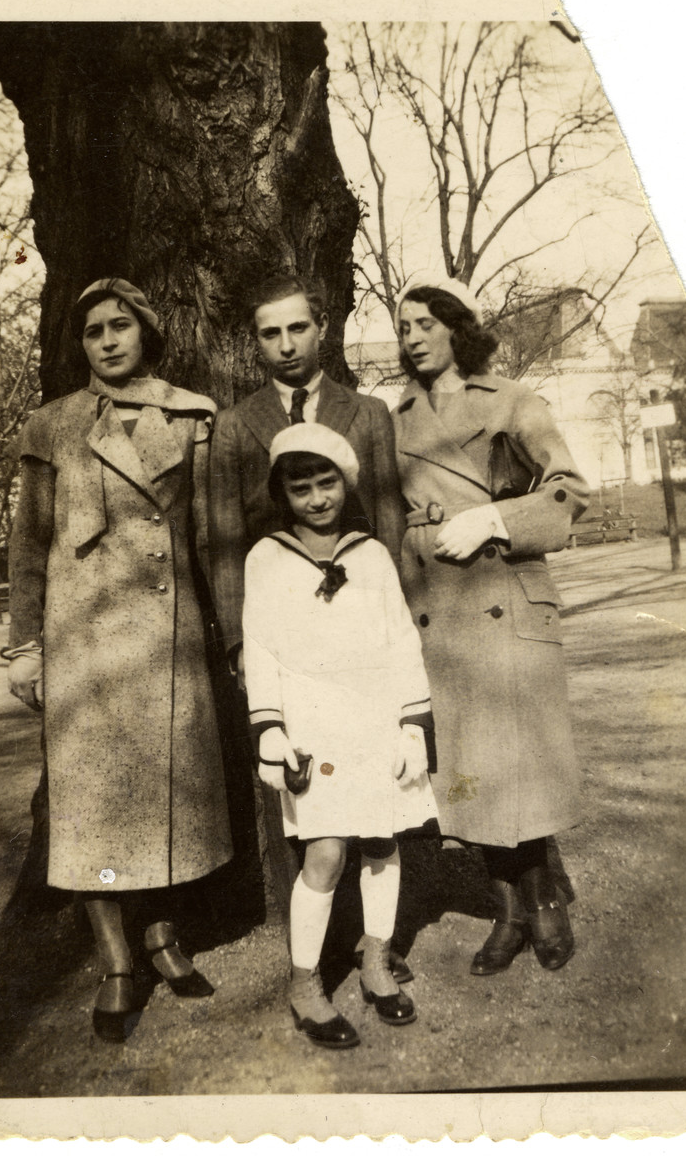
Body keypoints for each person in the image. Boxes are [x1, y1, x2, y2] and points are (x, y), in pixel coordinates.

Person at [3, 277, 233, 1037]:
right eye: (92, 330)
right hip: (84, 646)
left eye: (119, 325)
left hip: (167, 645)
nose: (105, 339)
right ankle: (115, 960)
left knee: (168, 796)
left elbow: (211, 542)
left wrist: (227, 637)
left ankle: (164, 938)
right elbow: (30, 544)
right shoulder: (52, 426)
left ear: (146, 332)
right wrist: (25, 646)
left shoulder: (191, 416)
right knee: (93, 811)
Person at [209, 273, 411, 979]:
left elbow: (387, 523)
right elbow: (226, 544)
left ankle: (375, 944)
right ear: (255, 341)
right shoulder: (235, 426)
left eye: (297, 328)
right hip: (289, 655)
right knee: (312, 817)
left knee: (380, 822)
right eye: (270, 332)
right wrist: (241, 652)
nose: (286, 344)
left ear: (321, 329)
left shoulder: (369, 413)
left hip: (363, 641)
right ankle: (315, 955)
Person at [391, 270, 590, 976]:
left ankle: (543, 907)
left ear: (455, 327)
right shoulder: (394, 422)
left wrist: (494, 518)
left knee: (520, 767)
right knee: (472, 774)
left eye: (424, 324)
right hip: (438, 612)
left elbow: (568, 491)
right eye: (403, 327)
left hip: (506, 591)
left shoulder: (512, 400)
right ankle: (509, 910)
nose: (411, 338)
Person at [243, 423, 437, 1048]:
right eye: (301, 488)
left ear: (345, 485)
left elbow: (401, 640)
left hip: (375, 715)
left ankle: (376, 960)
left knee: (382, 842)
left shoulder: (371, 554)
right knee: (324, 853)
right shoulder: (266, 557)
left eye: (327, 483)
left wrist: (411, 724)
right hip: (310, 722)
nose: (317, 498)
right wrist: (270, 728)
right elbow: (262, 648)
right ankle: (305, 983)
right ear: (284, 494)